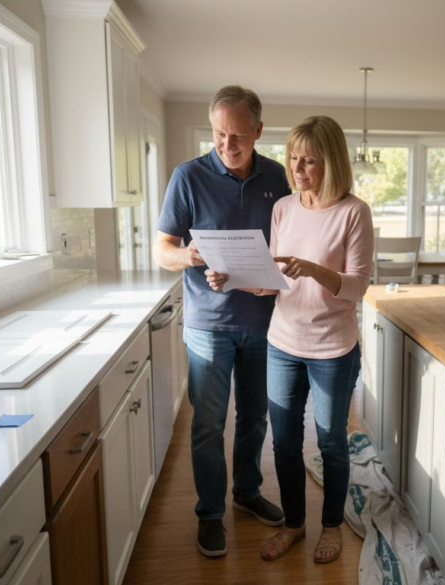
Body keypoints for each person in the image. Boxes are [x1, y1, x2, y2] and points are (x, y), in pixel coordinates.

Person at [206, 115, 374, 563]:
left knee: (332, 442)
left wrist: (315, 269)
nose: (298, 170)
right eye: (294, 159)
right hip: (282, 342)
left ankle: (332, 526)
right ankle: (297, 525)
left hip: (333, 349)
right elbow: (272, 282)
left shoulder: (353, 212)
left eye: (310, 161)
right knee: (282, 442)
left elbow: (358, 287)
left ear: (332, 162)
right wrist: (232, 279)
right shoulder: (284, 207)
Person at [153, 86, 290, 558]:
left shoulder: (278, 176)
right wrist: (187, 255)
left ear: (258, 130)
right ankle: (210, 512)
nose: (227, 145)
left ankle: (246, 492)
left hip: (265, 322)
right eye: (218, 134)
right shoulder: (187, 176)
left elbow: (293, 241)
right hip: (208, 325)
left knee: (255, 417)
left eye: (237, 136)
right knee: (209, 424)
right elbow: (162, 250)